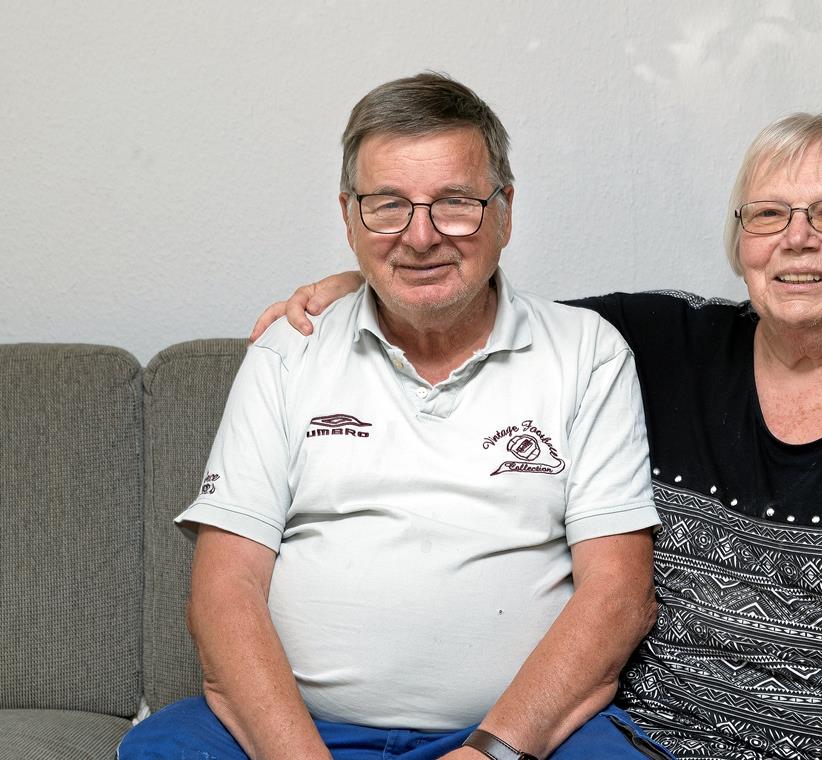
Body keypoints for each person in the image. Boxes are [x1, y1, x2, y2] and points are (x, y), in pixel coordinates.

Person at [260, 110, 822, 759]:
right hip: (667, 743)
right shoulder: (661, 347)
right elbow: (479, 310)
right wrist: (370, 282)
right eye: (768, 214)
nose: (797, 238)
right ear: (740, 247)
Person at [118, 73, 672, 760]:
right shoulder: (290, 353)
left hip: (519, 736)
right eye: (388, 206)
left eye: (455, 203)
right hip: (299, 733)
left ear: (505, 210)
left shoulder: (587, 352)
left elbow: (617, 592)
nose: (421, 236)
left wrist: (490, 753)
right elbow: (224, 590)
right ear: (348, 217)